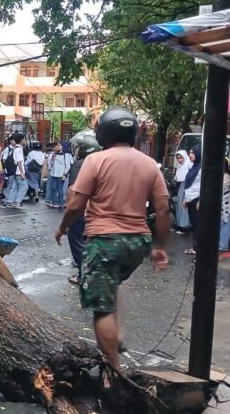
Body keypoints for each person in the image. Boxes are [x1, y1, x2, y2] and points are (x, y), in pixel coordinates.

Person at [55, 107, 170, 371]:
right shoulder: (149, 163)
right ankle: (117, 337)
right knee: (113, 282)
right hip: (137, 243)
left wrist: (62, 227)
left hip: (105, 240)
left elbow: (75, 205)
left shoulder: (96, 161)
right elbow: (163, 209)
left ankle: (113, 373)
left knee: (101, 309)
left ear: (103, 132)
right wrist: (160, 247)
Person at [66, 131, 101, 285]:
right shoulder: (100, 164)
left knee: (77, 243)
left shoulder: (79, 164)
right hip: (97, 211)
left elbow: (73, 190)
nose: (77, 150)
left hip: (81, 211)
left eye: (80, 147)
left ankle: (83, 276)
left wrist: (69, 211)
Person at [183, 146, 201, 256]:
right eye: (189, 153)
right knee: (194, 224)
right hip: (190, 198)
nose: (190, 155)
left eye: (192, 153)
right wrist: (185, 198)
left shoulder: (201, 168)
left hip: (197, 199)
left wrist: (201, 200)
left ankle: (196, 247)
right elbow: (189, 184)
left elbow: (204, 185)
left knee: (197, 224)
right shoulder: (194, 166)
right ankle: (195, 246)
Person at [2, 133, 27, 208]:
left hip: (14, 171)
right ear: (21, 140)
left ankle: (9, 201)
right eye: (24, 139)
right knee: (24, 186)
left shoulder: (14, 148)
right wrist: (22, 173)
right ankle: (17, 201)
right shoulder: (18, 150)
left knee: (14, 186)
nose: (24, 140)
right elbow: (19, 162)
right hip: (19, 172)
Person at [46, 141, 71, 209]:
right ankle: (54, 202)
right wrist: (52, 159)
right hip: (53, 174)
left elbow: (67, 166)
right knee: (53, 188)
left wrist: (64, 174)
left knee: (60, 189)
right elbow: (51, 164)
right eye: (55, 147)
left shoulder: (66, 155)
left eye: (57, 146)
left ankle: (60, 203)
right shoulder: (54, 154)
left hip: (61, 174)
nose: (56, 148)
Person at [172, 150, 192, 233]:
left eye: (181, 157)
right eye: (178, 158)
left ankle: (184, 226)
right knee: (179, 205)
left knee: (184, 206)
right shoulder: (180, 166)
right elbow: (177, 177)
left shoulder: (188, 164)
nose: (179, 160)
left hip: (186, 186)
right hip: (181, 186)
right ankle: (180, 224)